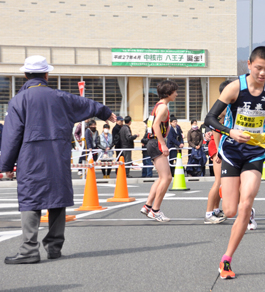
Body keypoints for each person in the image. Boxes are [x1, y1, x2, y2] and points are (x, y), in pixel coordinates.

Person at [0, 55, 115, 264]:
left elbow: (11, 135)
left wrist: (7, 165)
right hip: (57, 157)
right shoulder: (62, 98)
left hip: (30, 159)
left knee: (30, 200)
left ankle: (28, 251)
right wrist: (105, 112)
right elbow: (87, 104)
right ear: (46, 75)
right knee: (57, 199)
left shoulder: (18, 101)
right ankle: (54, 248)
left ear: (25, 75)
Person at [204, 46, 265, 280]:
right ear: (249, 64)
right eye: (258, 68)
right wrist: (230, 132)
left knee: (246, 203)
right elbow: (209, 119)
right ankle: (238, 200)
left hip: (255, 152)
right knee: (231, 210)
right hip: (232, 151)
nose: (263, 73)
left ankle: (226, 259)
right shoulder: (235, 88)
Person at [140, 80, 179, 222]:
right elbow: (156, 125)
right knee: (167, 178)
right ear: (168, 93)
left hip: (152, 142)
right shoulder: (163, 107)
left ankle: (148, 205)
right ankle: (155, 210)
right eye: (175, 91)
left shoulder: (158, 105)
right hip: (156, 142)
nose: (176, 94)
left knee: (162, 177)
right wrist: (163, 144)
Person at [204, 80, 232, 224]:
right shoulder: (222, 106)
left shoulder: (229, 105)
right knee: (218, 181)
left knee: (222, 181)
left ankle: (215, 209)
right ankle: (209, 214)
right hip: (217, 145)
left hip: (222, 145)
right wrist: (218, 150)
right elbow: (216, 129)